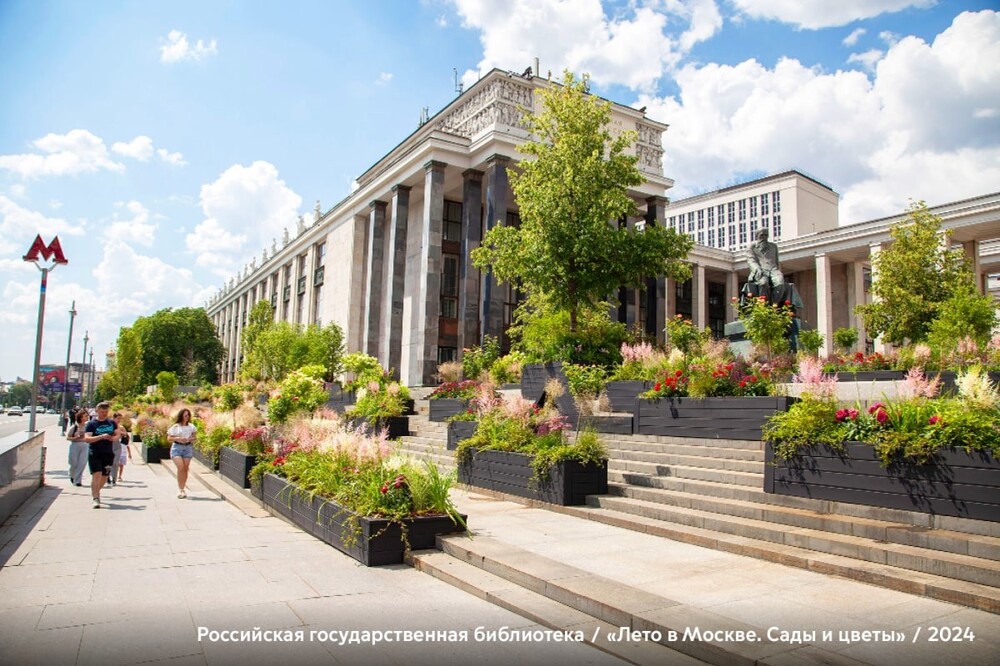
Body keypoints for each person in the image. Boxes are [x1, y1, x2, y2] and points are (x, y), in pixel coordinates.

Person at [83, 402, 126, 508]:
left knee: (105, 476)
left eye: (106, 412)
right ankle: (95, 497)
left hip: (108, 453)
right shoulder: (91, 424)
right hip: (95, 452)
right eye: (102, 412)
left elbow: (117, 434)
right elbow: (87, 439)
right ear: (97, 411)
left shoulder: (112, 423)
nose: (104, 414)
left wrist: (113, 438)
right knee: (96, 474)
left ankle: (96, 491)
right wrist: (101, 436)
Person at [746, 227, 785, 304]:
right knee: (763, 283)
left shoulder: (774, 246)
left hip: (773, 270)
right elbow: (751, 260)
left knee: (780, 283)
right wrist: (757, 269)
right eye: (762, 235)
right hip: (760, 270)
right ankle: (764, 305)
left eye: (766, 235)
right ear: (756, 236)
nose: (764, 238)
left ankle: (774, 305)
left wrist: (778, 271)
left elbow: (776, 261)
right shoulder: (752, 247)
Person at [167, 408, 197, 499]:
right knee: (181, 467)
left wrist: (191, 439)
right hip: (177, 448)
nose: (187, 417)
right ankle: (180, 489)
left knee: (185, 468)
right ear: (181, 416)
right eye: (185, 415)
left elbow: (194, 437)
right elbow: (169, 438)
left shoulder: (191, 426)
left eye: (188, 415)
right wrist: (179, 438)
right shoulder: (176, 427)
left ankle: (183, 488)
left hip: (187, 448)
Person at [66, 410, 89, 487]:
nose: (87, 417)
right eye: (85, 416)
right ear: (80, 417)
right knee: (74, 463)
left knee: (82, 463)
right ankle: (72, 475)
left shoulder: (88, 426)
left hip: (85, 445)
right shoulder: (75, 427)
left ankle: (78, 480)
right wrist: (76, 437)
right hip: (75, 445)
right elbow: (68, 437)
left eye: (87, 416)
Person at [114, 413, 132, 482]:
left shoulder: (121, 427)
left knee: (121, 464)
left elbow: (126, 434)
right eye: (118, 418)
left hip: (122, 450)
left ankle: (119, 476)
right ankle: (113, 475)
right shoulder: (112, 426)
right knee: (115, 464)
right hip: (115, 449)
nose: (119, 420)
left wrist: (121, 432)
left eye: (120, 418)